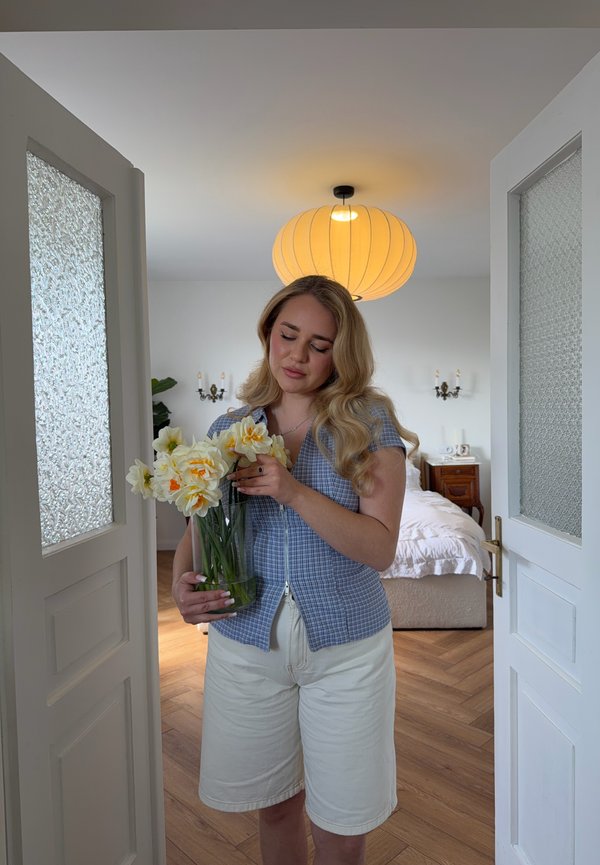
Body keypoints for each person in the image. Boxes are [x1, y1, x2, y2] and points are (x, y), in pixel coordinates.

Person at [172, 275, 418, 865]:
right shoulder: (229, 430)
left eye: (319, 344)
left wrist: (293, 491)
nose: (297, 356)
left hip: (346, 651)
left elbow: (380, 549)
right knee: (276, 807)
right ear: (268, 334)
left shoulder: (369, 424)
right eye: (287, 335)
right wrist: (181, 583)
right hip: (245, 646)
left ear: (341, 354)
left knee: (342, 828)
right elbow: (198, 530)